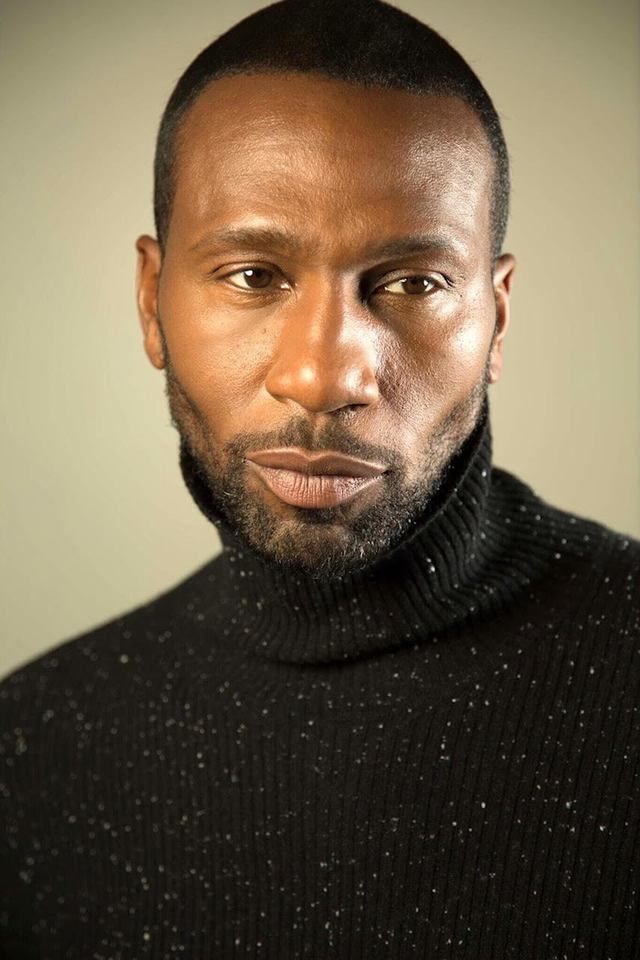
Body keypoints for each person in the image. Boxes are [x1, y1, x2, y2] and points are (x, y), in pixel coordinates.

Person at [2, 0, 638, 955]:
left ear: (497, 319)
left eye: (413, 284)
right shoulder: (34, 746)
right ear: (150, 299)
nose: (322, 376)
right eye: (253, 276)